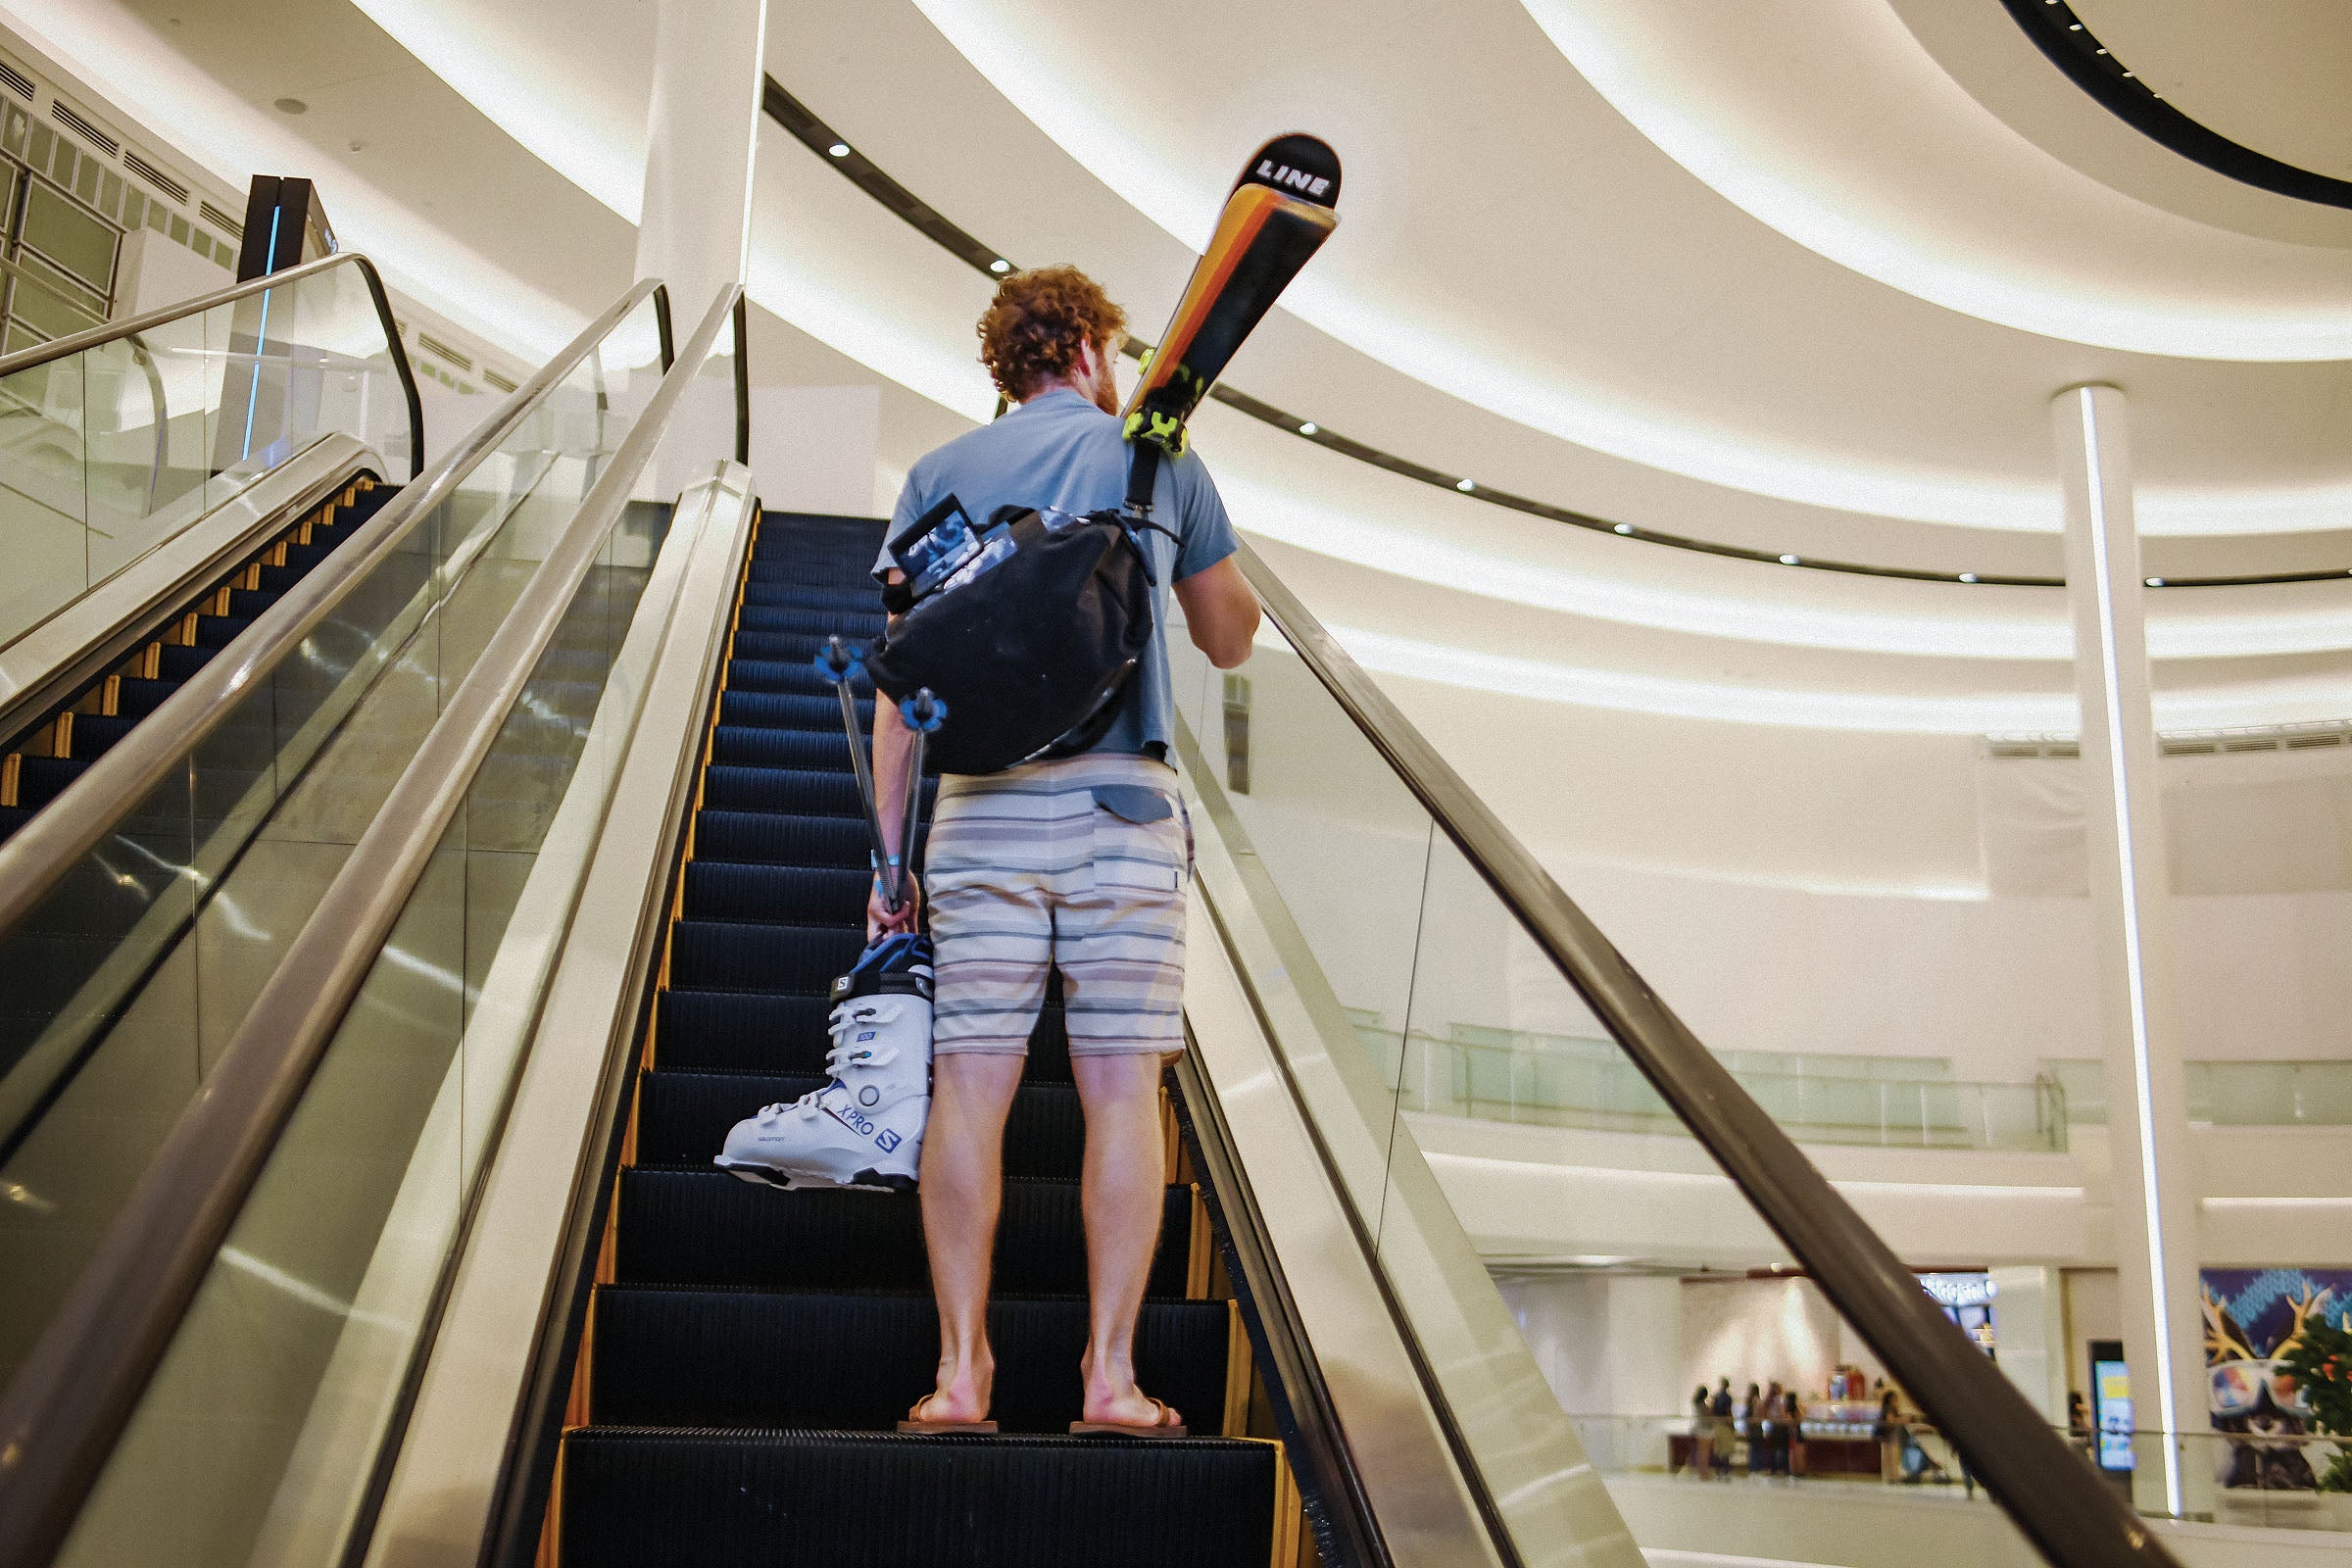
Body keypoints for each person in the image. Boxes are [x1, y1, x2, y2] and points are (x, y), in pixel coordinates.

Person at [870, 266, 1260, 1435]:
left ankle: (960, 1377)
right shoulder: (1157, 457)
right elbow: (1230, 636)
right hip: (1122, 814)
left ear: (1006, 365)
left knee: (970, 1090)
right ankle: (1108, 1379)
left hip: (980, 811)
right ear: (1092, 347)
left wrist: (890, 865)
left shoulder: (940, 476)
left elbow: (901, 693)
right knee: (1120, 1090)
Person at [1689, 1385, 1715, 1478]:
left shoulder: (1696, 1403)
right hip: (1705, 1429)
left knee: (1700, 1451)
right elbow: (1708, 1415)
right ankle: (1704, 1471)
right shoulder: (1702, 1405)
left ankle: (1701, 1470)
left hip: (1699, 1428)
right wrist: (1712, 1405)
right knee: (1705, 1452)